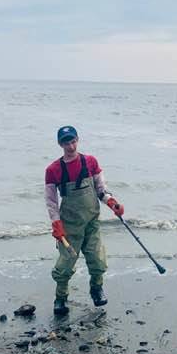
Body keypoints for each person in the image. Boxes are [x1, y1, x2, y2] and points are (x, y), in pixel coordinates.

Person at [44, 125, 124, 314]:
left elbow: (101, 190)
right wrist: (56, 223)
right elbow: (51, 201)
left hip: (91, 222)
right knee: (65, 265)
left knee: (97, 260)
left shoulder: (90, 162)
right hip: (69, 226)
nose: (71, 146)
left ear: (78, 139)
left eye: (73, 141)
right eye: (66, 143)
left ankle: (96, 289)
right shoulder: (53, 170)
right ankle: (61, 298)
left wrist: (112, 203)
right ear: (60, 144)